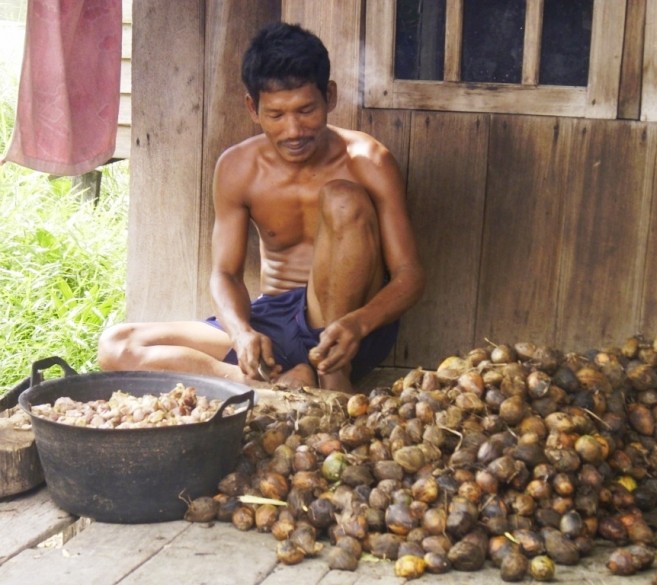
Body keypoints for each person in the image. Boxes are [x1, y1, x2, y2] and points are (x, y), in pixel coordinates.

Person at [97, 22, 425, 392]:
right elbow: (224, 273)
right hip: (273, 321)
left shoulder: (368, 160)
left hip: (346, 333)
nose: (293, 130)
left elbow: (409, 275)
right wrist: (242, 333)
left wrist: (358, 325)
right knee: (117, 345)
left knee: (343, 198)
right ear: (252, 108)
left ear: (329, 97)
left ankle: (331, 376)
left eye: (306, 110)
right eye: (276, 115)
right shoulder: (238, 168)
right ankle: (272, 381)